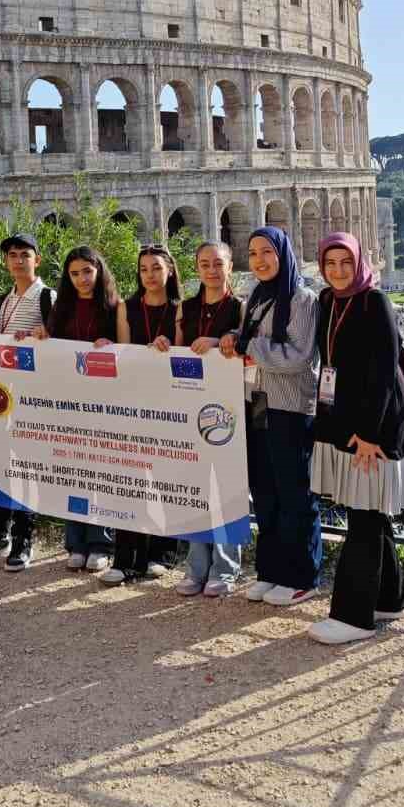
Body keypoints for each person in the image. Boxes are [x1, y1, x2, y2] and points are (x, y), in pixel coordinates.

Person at [307, 232, 404, 645]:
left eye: (345, 263)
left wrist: (369, 435)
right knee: (371, 517)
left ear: (359, 263)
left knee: (364, 519)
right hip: (343, 421)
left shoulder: (374, 302)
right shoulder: (326, 301)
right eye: (330, 263)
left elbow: (385, 373)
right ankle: (388, 598)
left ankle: (353, 617)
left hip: (376, 426)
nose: (337, 271)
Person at [220, 226, 321, 606]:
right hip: (255, 404)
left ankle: (303, 576)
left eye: (268, 252)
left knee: (295, 494)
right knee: (265, 492)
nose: (260, 260)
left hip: (290, 407)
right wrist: (235, 335)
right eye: (254, 252)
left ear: (283, 254)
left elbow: (297, 357)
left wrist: (249, 344)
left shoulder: (302, 298)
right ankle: (271, 571)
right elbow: (252, 340)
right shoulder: (256, 296)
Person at [0, 232, 55, 569]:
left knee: (27, 467)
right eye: (12, 255)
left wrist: (41, 336)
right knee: (2, 464)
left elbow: (57, 342)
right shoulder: (4, 299)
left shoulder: (48, 297)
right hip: (4, 398)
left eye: (24, 254)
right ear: (6, 261)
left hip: (34, 398)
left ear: (37, 259)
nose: (18, 260)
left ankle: (23, 536)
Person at [100, 245, 181, 586]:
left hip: (167, 402)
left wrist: (167, 347)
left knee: (163, 479)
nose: (149, 274)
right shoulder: (126, 307)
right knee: (130, 480)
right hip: (133, 399)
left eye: (156, 268)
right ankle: (124, 555)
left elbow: (180, 355)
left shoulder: (180, 309)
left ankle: (159, 554)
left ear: (170, 272)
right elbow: (123, 352)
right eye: (144, 268)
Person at [174, 241, 244, 597]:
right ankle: (196, 567)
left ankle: (225, 569)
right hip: (190, 405)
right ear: (196, 268)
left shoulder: (240, 308)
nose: (212, 270)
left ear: (230, 266)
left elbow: (244, 351)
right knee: (195, 490)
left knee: (227, 490)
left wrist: (219, 341)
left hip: (227, 411)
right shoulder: (185, 307)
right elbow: (176, 349)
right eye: (205, 264)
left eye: (219, 263)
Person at [47, 245, 120, 571]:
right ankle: (75, 541)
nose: (81, 279)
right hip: (68, 399)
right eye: (74, 274)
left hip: (103, 400)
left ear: (98, 271)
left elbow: (127, 349)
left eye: (87, 272)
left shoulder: (114, 307)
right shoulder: (61, 306)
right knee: (73, 471)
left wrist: (112, 347)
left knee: (101, 471)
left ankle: (101, 541)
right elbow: (50, 347)